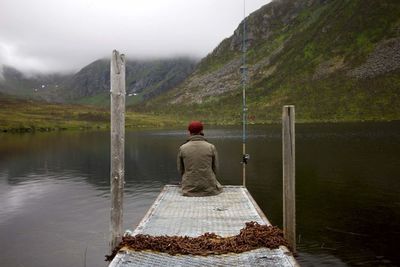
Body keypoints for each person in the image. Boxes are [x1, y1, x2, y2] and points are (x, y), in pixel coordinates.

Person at [177, 121, 223, 197]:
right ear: (201, 131)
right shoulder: (211, 147)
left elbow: (180, 169)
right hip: (210, 188)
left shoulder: (183, 148)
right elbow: (215, 168)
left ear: (189, 132)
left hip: (188, 188)